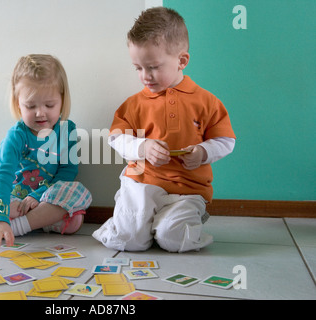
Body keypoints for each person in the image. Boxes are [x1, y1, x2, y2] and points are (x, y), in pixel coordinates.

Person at [92, 7, 236, 252]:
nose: (145, 76)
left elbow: (226, 140)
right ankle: (126, 223)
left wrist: (202, 152)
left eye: (153, 67)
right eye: (138, 68)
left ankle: (171, 225)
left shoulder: (207, 102)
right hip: (142, 183)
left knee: (174, 239)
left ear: (181, 61)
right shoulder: (134, 104)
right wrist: (142, 147)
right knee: (128, 241)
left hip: (188, 190)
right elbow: (116, 137)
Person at [0, 54, 92, 249]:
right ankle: (27, 223)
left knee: (77, 191)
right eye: (31, 106)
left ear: (62, 100)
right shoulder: (16, 135)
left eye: (49, 105)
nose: (40, 113)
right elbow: (1, 176)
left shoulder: (67, 131)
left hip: (45, 200)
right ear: (18, 104)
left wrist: (37, 196)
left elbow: (67, 172)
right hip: (13, 201)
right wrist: (0, 214)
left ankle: (15, 227)